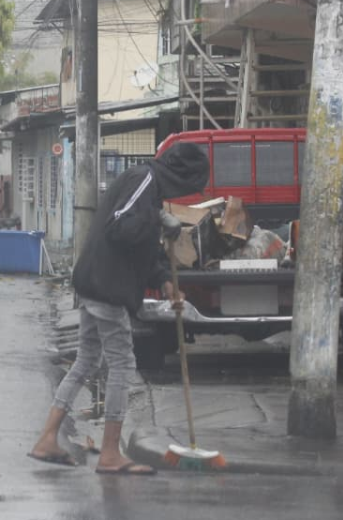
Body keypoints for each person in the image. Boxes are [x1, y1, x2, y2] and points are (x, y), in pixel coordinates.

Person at [28, 142, 209, 475]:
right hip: (108, 287)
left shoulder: (147, 186)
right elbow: (121, 229)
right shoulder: (146, 180)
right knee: (123, 365)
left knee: (85, 361)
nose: (185, 195)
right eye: (189, 187)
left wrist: (164, 279)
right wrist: (158, 223)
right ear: (181, 176)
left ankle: (47, 437)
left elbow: (138, 244)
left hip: (96, 282)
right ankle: (110, 452)